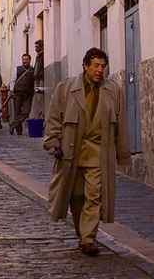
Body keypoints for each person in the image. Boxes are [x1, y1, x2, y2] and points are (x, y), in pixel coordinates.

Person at [44, 47, 131, 256]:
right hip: (71, 152)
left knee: (94, 196)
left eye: (103, 66)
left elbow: (121, 123)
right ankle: (82, 233)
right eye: (96, 66)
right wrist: (53, 143)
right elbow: (54, 118)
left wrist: (122, 153)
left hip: (99, 152)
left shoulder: (113, 91)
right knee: (75, 196)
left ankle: (88, 239)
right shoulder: (66, 88)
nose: (100, 70)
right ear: (85, 66)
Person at [8, 54, 34, 135]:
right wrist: (11, 91)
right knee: (17, 112)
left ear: (30, 60)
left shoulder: (33, 70)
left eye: (26, 59)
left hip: (28, 94)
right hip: (18, 93)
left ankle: (13, 124)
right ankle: (19, 130)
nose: (24, 61)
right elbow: (13, 80)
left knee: (26, 111)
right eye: (23, 59)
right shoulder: (17, 69)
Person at [32, 39, 45, 119]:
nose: (35, 48)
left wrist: (40, 77)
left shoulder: (42, 56)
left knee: (41, 99)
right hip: (37, 79)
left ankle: (42, 116)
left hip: (40, 80)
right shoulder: (38, 56)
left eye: (37, 47)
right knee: (39, 99)